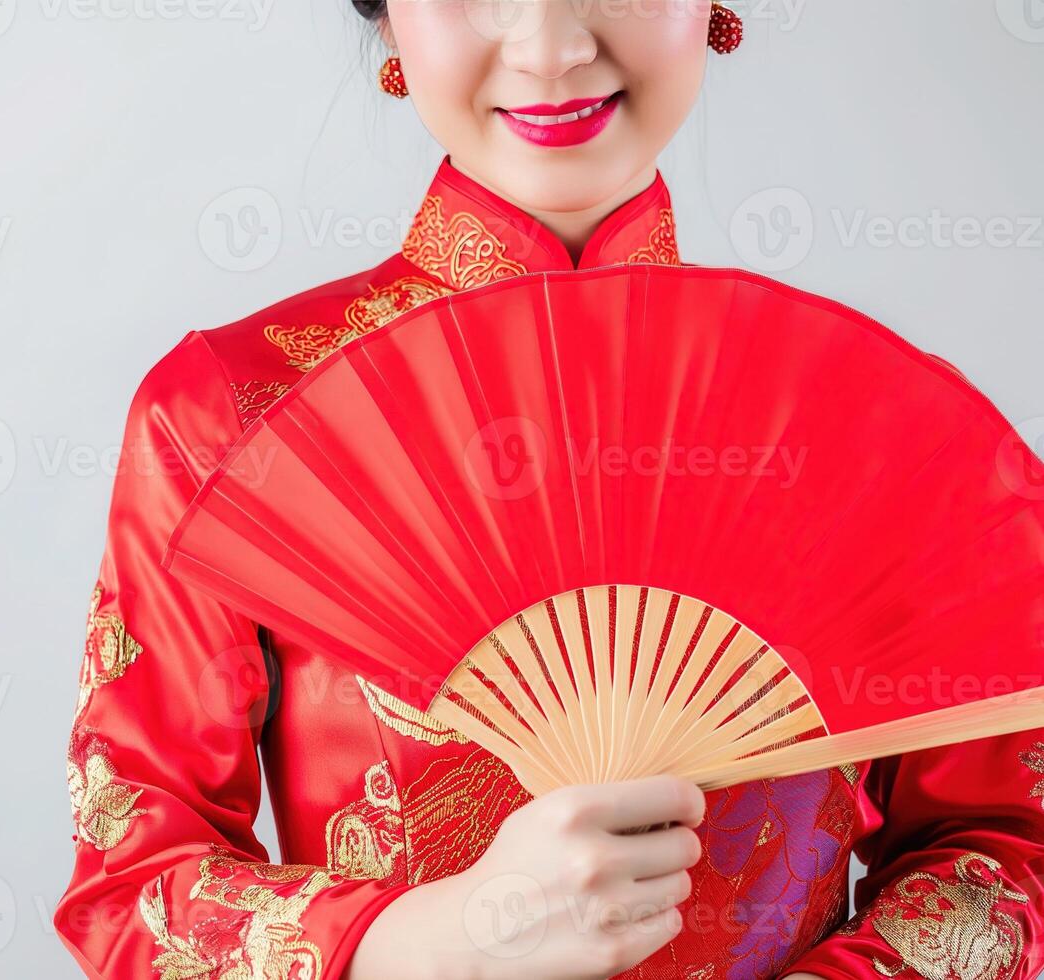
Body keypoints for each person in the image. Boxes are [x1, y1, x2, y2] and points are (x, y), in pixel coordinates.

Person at [57, 3, 1044, 977]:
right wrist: (448, 937)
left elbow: (1006, 843)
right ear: (391, 20)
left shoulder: (854, 421)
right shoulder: (234, 417)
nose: (553, 48)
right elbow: (131, 888)